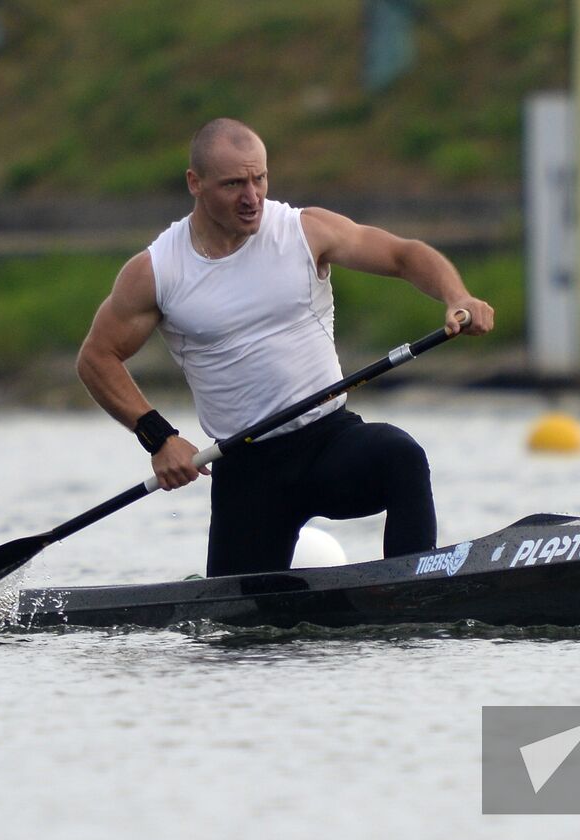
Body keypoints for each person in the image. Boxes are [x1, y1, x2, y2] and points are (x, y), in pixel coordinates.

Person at [76, 118, 494, 577]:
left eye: (259, 179)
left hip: (330, 442)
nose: (251, 197)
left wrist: (457, 296)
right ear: (195, 183)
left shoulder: (304, 231)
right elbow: (97, 358)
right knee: (236, 617)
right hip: (246, 468)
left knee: (401, 456)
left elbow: (403, 255)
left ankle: (410, 591)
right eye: (233, 184)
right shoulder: (158, 271)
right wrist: (159, 438)